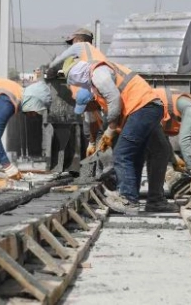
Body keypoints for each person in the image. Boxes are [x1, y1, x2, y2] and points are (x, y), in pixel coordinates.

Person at [62, 56, 164, 214]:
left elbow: (115, 101)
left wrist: (110, 130)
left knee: (121, 155)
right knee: (134, 155)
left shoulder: (99, 74)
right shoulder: (98, 80)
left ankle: (128, 200)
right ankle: (131, 197)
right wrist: (105, 137)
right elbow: (115, 114)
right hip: (147, 108)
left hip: (143, 108)